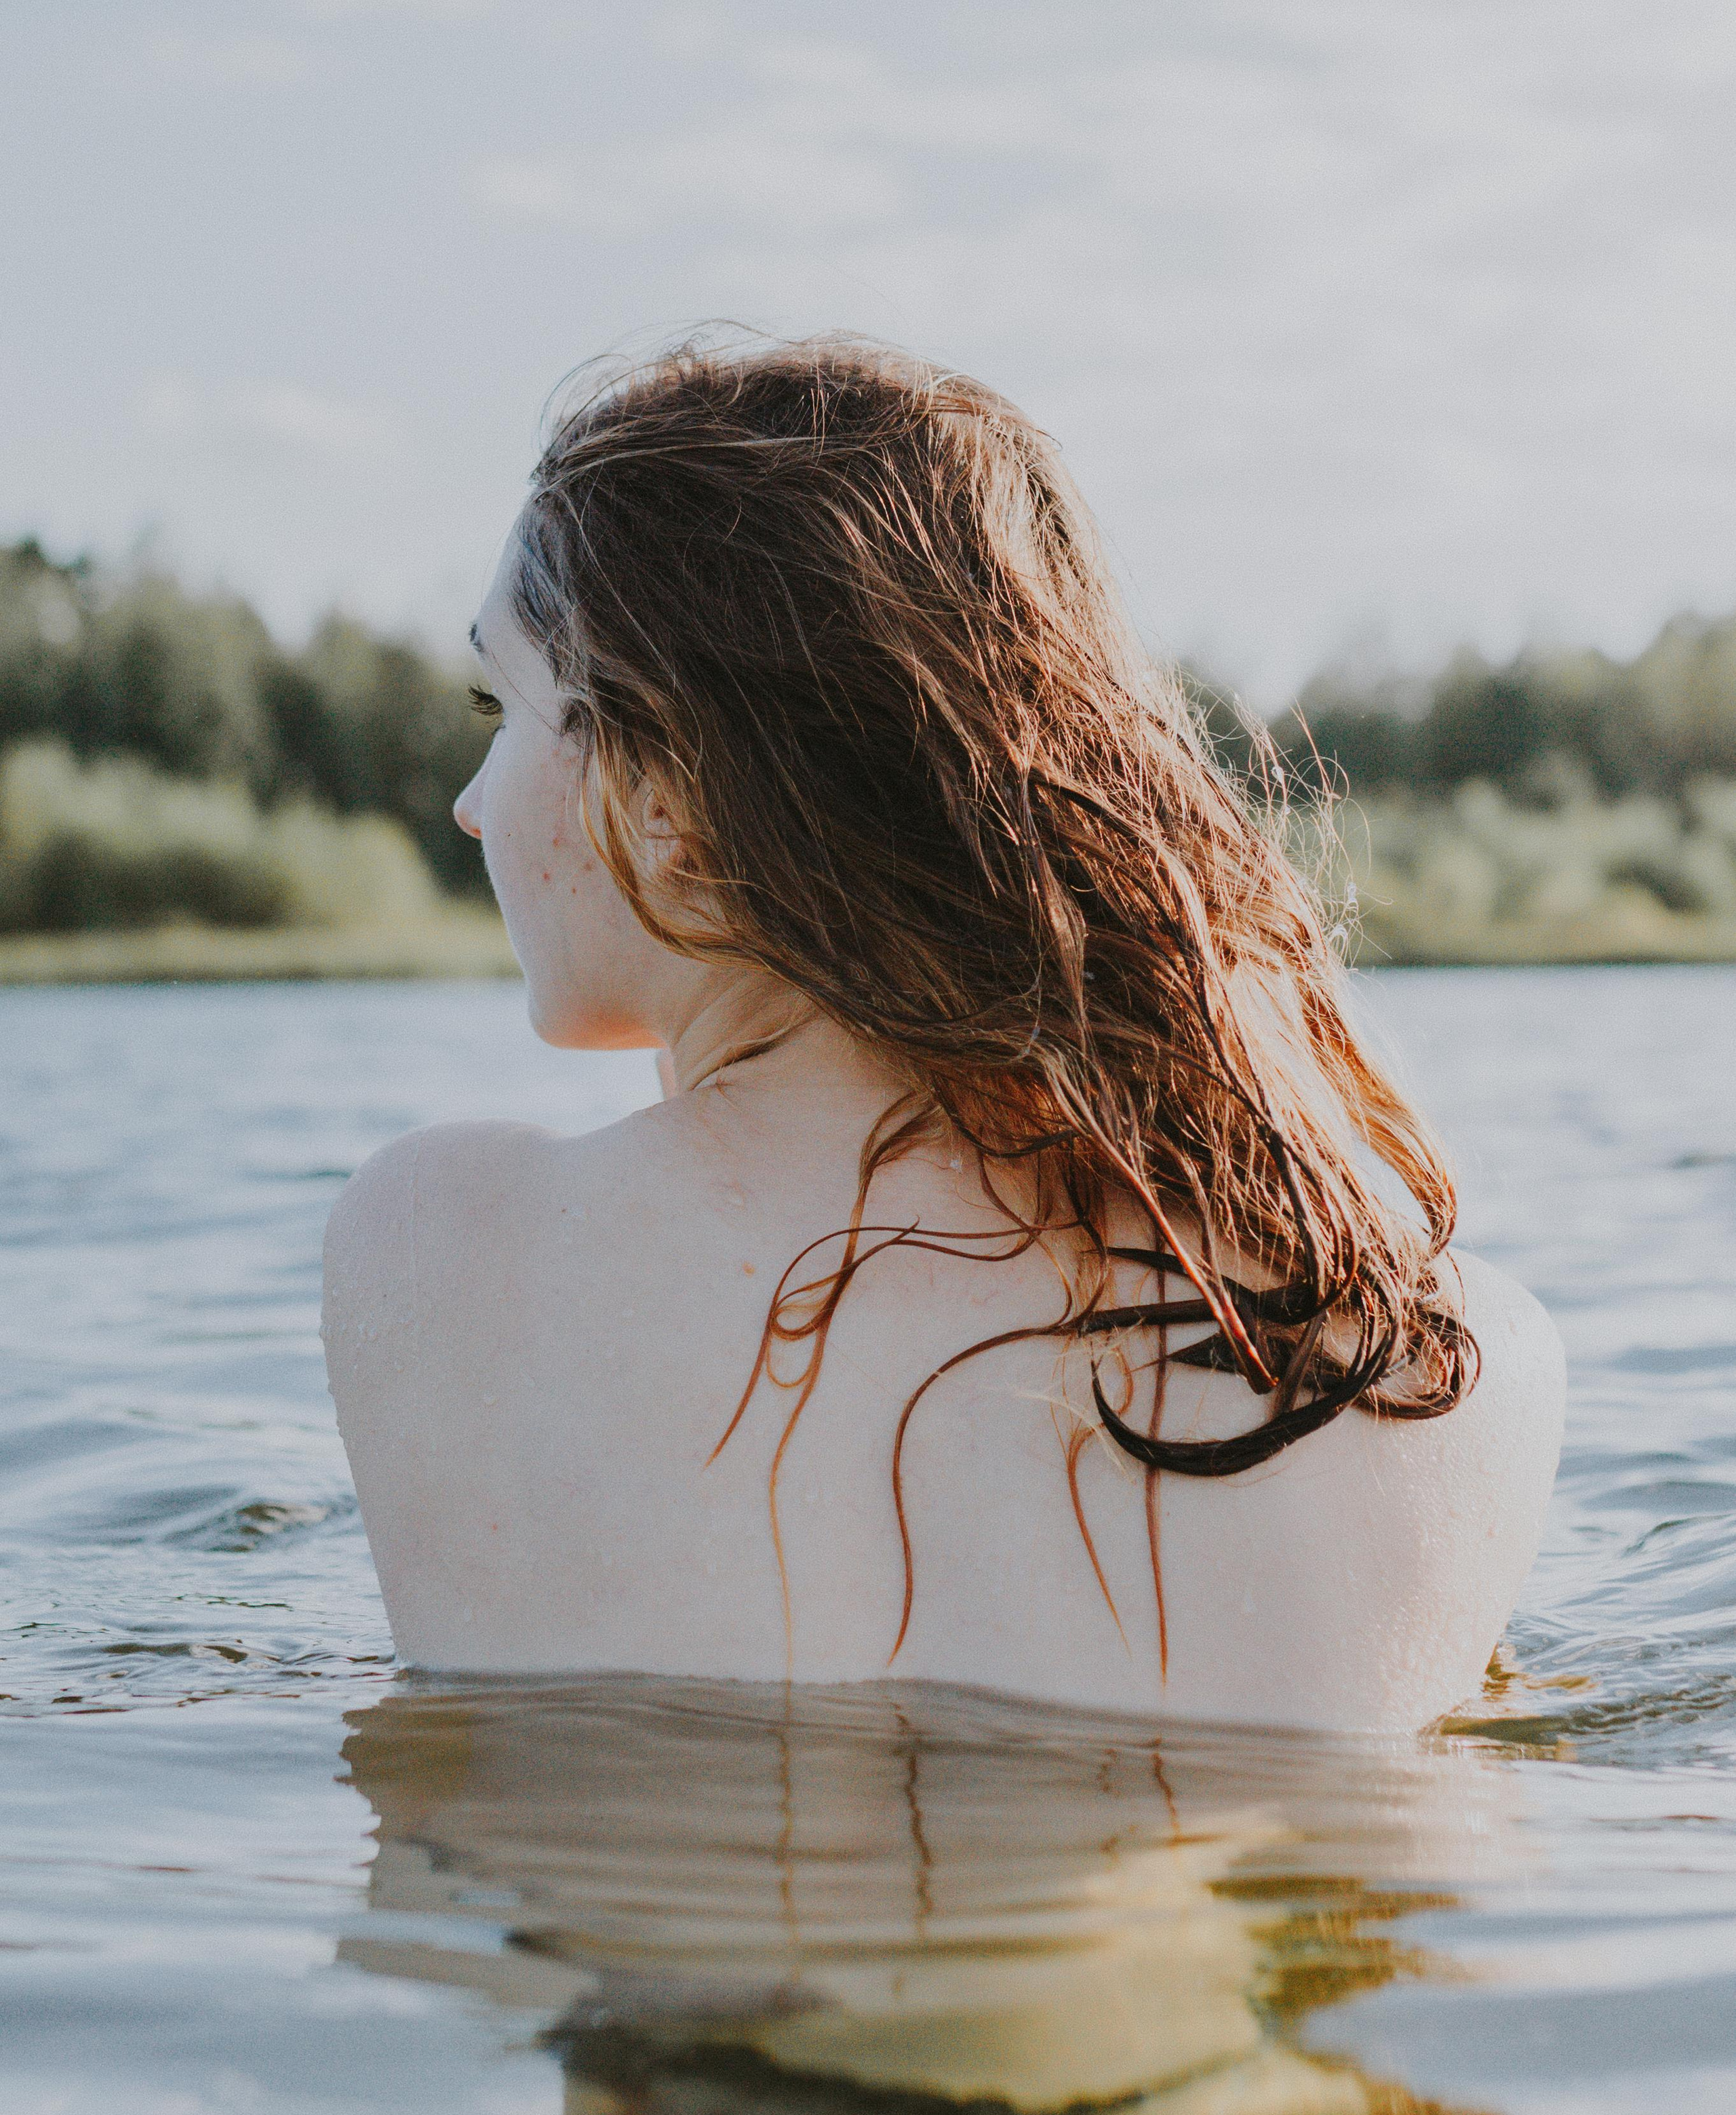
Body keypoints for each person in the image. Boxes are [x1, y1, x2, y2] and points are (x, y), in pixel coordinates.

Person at [323, 336, 1564, 1728]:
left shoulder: (433, 1249)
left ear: (663, 792)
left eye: (504, 707)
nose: (472, 807)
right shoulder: (1448, 1376)